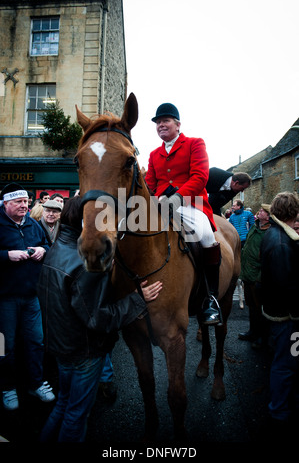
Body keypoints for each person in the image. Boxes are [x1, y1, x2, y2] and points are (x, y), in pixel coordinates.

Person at [37, 196, 163, 442]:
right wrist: (138, 299)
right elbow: (98, 318)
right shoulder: (86, 263)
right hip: (84, 351)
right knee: (76, 414)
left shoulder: (58, 246)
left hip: (61, 346)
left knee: (63, 404)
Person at [145, 102, 221, 325]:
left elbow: (200, 177)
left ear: (177, 124)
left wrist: (176, 198)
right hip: (159, 205)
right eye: (158, 122)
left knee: (206, 235)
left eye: (165, 121)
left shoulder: (195, 143)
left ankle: (210, 299)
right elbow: (150, 184)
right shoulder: (153, 154)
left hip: (191, 203)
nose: (161, 125)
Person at [0, 183, 55, 411]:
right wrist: (6, 255)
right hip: (5, 298)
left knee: (35, 341)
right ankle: (7, 387)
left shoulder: (33, 224)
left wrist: (43, 250)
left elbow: (48, 246)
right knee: (7, 346)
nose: (24, 205)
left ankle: (36, 383)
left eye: (25, 201)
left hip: (32, 296)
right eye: (18, 202)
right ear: (5, 204)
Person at [260, 191, 299, 431]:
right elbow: (289, 286)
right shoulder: (282, 243)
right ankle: (280, 411)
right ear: (293, 212)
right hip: (288, 317)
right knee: (286, 364)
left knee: (285, 361)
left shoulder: (275, 234)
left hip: (279, 312)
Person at [238, 203, 271, 347]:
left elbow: (267, 259)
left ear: (269, 217)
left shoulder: (268, 232)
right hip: (247, 274)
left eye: (263, 211)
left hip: (257, 276)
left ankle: (262, 338)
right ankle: (252, 331)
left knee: (260, 308)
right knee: (251, 305)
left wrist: (259, 277)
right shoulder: (255, 226)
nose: (260, 211)